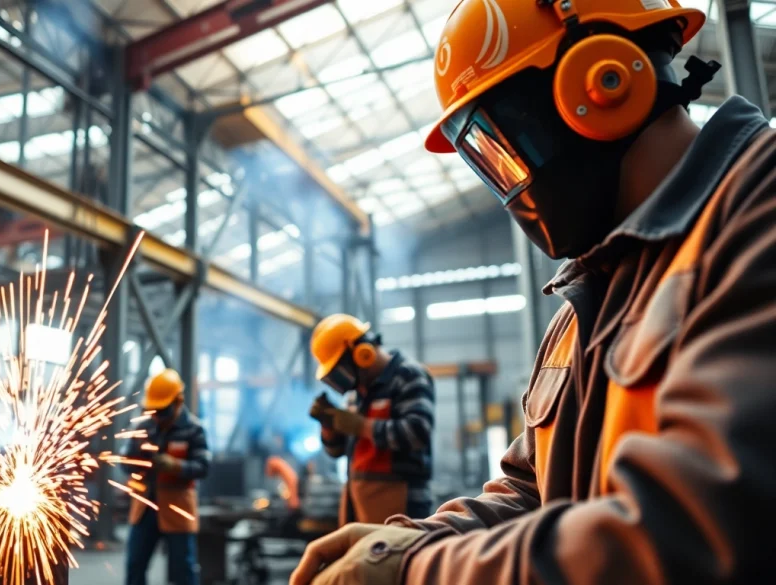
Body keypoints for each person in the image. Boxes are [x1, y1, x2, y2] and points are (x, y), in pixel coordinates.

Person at [290, 1, 776, 584]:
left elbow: (695, 529)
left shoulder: (756, 216)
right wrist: (417, 537)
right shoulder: (584, 306)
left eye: (500, 147)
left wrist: (418, 570)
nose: (508, 184)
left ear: (601, 81)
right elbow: (531, 488)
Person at [308, 313, 435, 526]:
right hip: (359, 503)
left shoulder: (409, 375)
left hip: (402, 506)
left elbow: (417, 433)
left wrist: (361, 426)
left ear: (361, 352)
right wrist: (329, 426)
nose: (344, 380)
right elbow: (337, 452)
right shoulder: (357, 393)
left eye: (342, 369)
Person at [123, 368, 210, 585]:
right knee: (135, 566)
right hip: (145, 508)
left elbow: (203, 467)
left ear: (178, 402)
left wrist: (175, 465)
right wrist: (135, 462)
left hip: (177, 509)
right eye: (153, 410)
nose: (156, 415)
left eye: (161, 410)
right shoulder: (144, 427)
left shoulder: (194, 430)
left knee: (183, 572)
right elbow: (125, 460)